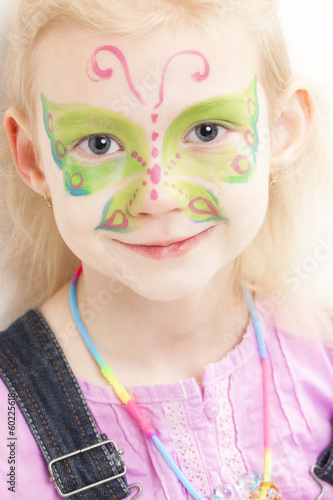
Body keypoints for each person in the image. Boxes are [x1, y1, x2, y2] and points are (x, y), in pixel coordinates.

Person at [0, 0, 332, 498]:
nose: (157, 197)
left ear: (281, 128)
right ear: (32, 159)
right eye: (98, 143)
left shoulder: (322, 355)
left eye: (206, 131)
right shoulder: (11, 428)